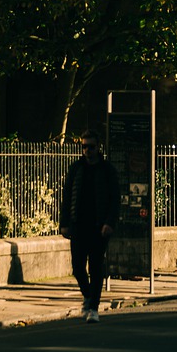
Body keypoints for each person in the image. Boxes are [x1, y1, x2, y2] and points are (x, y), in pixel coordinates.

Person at [59, 129, 120, 322]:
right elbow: (67, 196)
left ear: (98, 147)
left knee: (95, 268)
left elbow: (114, 199)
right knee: (77, 267)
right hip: (78, 225)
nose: (87, 150)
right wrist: (64, 223)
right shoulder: (76, 168)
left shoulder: (107, 170)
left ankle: (93, 308)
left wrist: (109, 222)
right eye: (84, 146)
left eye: (90, 147)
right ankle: (87, 296)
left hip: (98, 227)